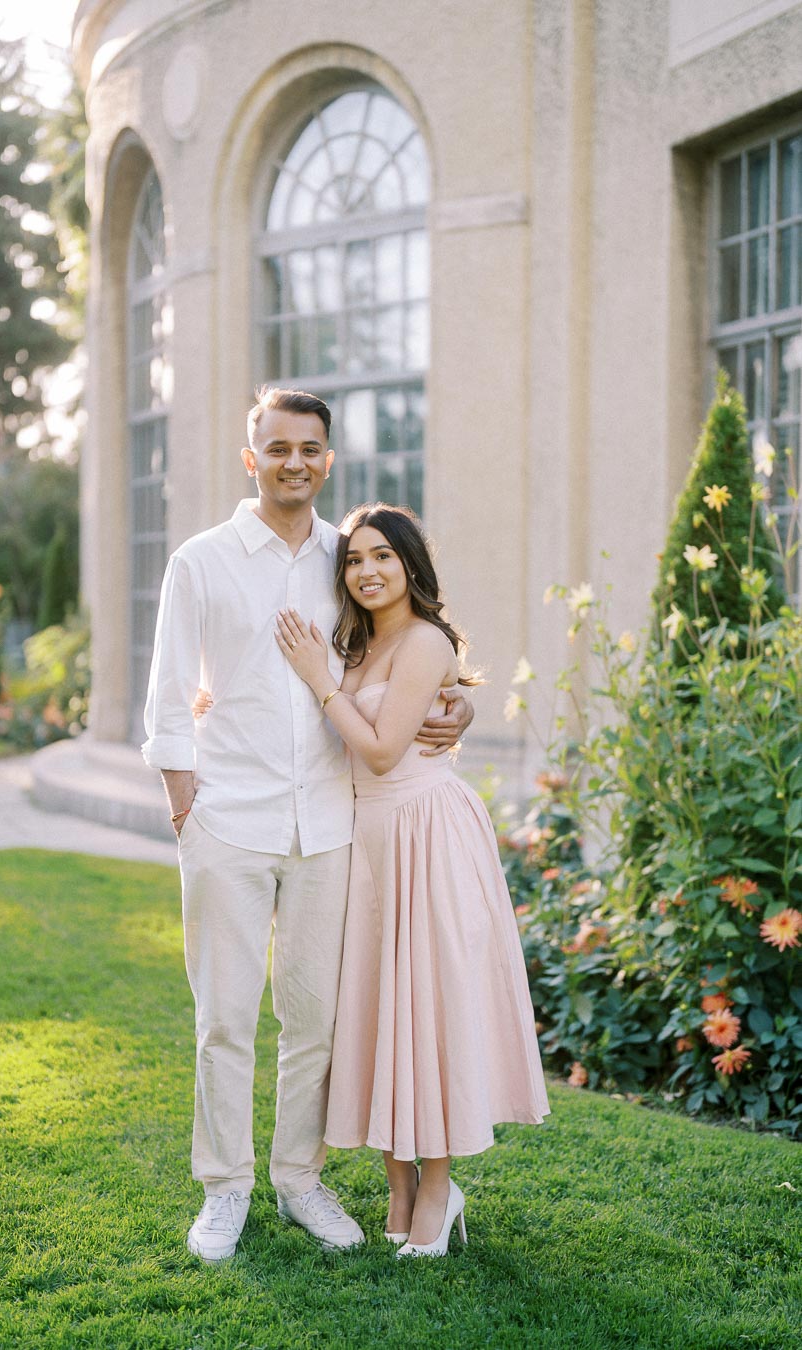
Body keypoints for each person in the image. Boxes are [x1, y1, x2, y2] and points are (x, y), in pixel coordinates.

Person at [141, 388, 473, 1262]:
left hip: (331, 825)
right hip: (228, 820)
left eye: (310, 448)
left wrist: (454, 704)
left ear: (328, 461)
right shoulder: (201, 562)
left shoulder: (349, 558)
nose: (295, 461)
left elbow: (410, 645)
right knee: (224, 1020)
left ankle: (298, 1180)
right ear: (251, 458)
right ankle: (224, 1189)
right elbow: (169, 696)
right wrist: (185, 808)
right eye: (278, 447)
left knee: (315, 1023)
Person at [275, 503, 550, 1259]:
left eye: (382, 557)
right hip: (368, 842)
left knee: (429, 1009)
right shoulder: (358, 644)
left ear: (410, 565)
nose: (367, 571)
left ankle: (438, 1189)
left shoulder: (425, 641)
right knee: (382, 1011)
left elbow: (382, 749)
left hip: (425, 835)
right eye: (353, 560)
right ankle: (399, 1187)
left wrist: (319, 682)